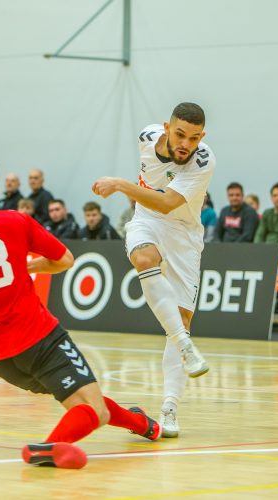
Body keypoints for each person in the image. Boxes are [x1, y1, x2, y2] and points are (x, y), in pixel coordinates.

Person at [0, 155, 161, 469]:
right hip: (42, 340)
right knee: (92, 408)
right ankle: (46, 449)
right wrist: (32, 265)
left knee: (81, 400)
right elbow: (66, 260)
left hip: (2, 360)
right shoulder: (15, 221)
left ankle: (141, 423)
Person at [92, 102, 215, 438]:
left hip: (184, 235)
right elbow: (152, 207)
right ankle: (185, 347)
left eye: (193, 137)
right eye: (179, 134)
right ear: (165, 128)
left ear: (201, 137)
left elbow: (165, 201)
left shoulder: (204, 160)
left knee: (183, 320)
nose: (185, 143)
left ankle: (170, 406)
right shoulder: (146, 136)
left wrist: (119, 184)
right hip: (146, 220)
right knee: (144, 260)